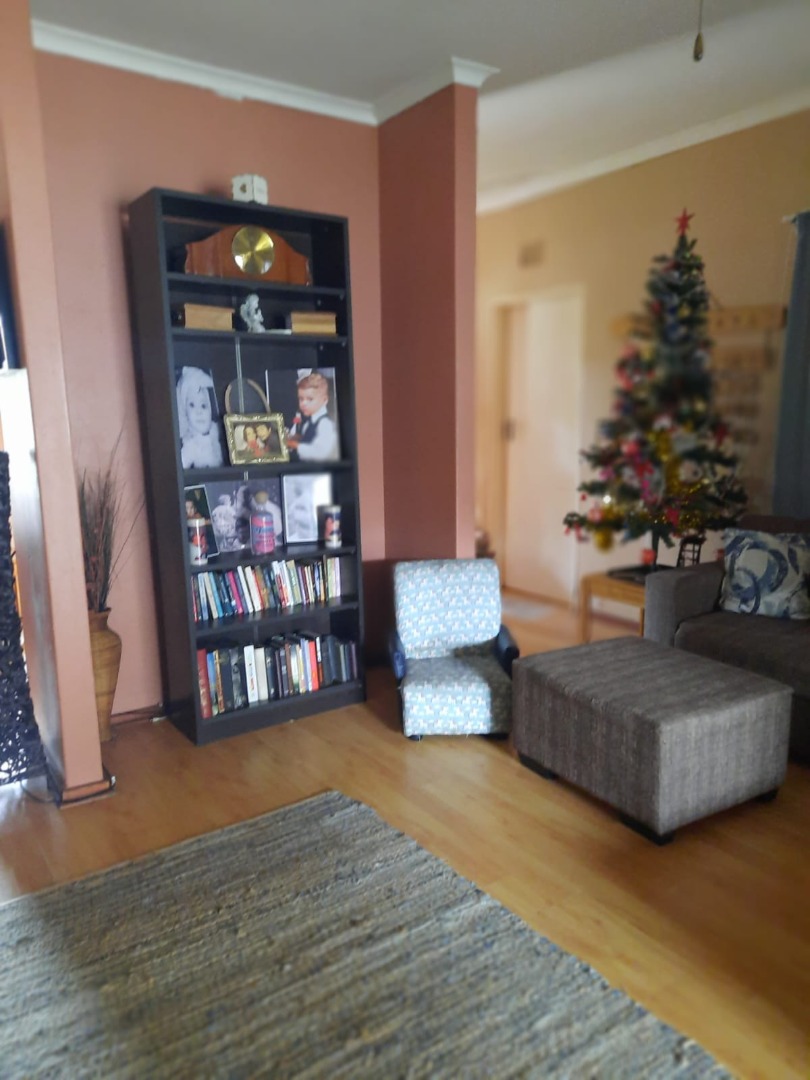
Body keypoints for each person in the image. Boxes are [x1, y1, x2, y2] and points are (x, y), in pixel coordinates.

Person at [176, 367, 224, 468]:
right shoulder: (190, 446)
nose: (199, 412)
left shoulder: (218, 432)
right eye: (192, 405)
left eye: (203, 406)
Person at [285, 371, 339, 461]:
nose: (303, 404)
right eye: (301, 399)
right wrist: (296, 438)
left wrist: (294, 444)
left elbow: (320, 453)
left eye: (310, 399)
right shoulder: (307, 423)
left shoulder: (325, 424)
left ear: (324, 400)